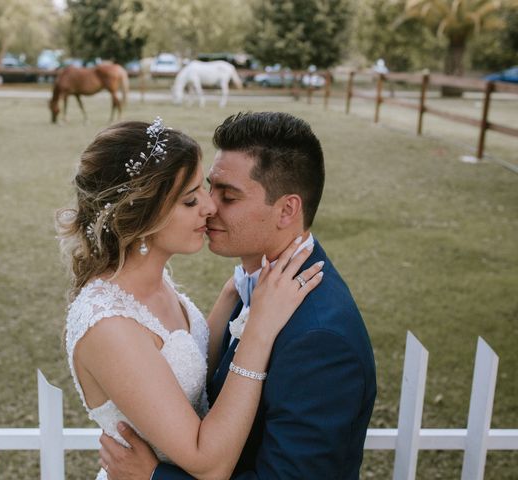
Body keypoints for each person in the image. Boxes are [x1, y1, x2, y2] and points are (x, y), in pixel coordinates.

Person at [99, 112, 377, 479]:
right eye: (209, 188)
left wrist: (154, 477)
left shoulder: (319, 338)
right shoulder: (253, 287)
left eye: (228, 196)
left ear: (287, 210)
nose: (210, 206)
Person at [57, 117, 325, 480]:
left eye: (205, 189)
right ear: (142, 213)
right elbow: (208, 462)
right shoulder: (108, 324)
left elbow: (189, 363)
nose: (210, 207)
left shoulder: (153, 282)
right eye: (189, 200)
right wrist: (258, 328)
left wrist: (242, 285)